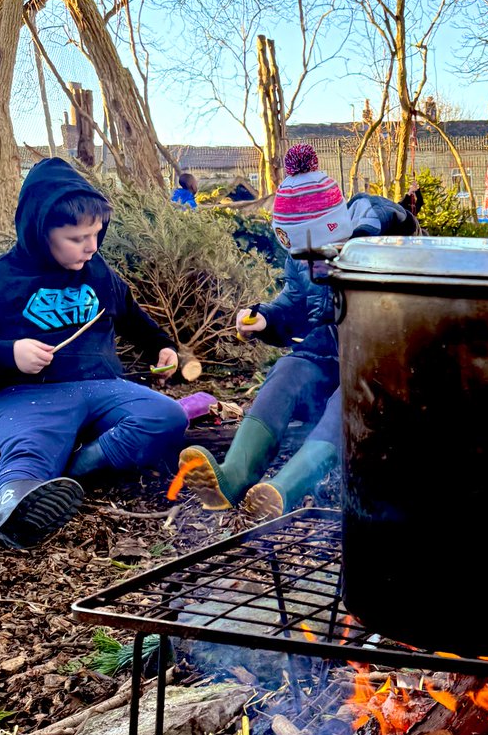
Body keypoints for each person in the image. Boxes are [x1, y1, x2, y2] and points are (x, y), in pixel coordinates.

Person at [0, 158, 187, 548]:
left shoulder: (98, 272)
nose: (92, 247)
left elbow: (131, 316)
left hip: (104, 387)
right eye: (77, 238)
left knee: (167, 416)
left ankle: (71, 475)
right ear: (41, 231)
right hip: (29, 395)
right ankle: (14, 509)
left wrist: (162, 346)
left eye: (96, 234)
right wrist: (9, 353)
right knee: (30, 451)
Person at [178, 143, 416, 520]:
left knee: (352, 397)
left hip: (377, 368)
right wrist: (266, 319)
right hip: (324, 356)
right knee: (287, 372)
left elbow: (406, 239)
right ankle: (232, 477)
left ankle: (284, 489)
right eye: (300, 255)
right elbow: (295, 304)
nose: (309, 265)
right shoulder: (301, 256)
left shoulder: (378, 243)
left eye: (316, 253)